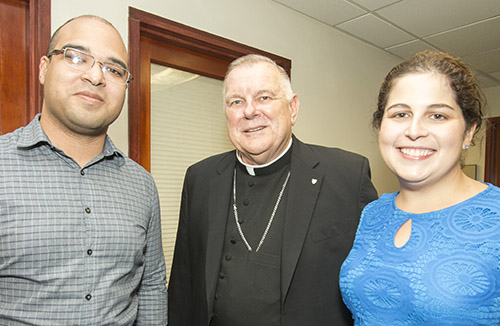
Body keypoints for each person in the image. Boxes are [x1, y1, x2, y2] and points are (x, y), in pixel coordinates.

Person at [168, 54, 378, 326]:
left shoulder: (347, 175)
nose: (250, 111)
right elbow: (183, 284)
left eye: (264, 97)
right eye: (236, 101)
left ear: (293, 108)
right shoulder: (201, 177)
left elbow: (374, 286)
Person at [0, 15, 167, 325]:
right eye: (76, 57)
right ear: (44, 68)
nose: (95, 76)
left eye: (113, 69)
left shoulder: (142, 185)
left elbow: (152, 286)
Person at [340, 50, 500, 325]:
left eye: (437, 116)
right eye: (400, 114)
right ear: (380, 126)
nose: (414, 130)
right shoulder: (373, 213)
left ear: (469, 131)